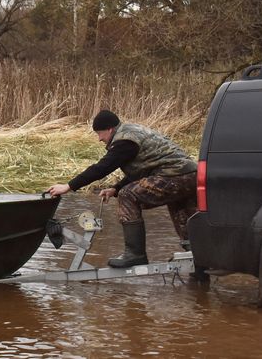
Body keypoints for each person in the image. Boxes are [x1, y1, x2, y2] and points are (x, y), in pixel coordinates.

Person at [46, 109, 197, 267]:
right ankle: (197, 260)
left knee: (128, 195)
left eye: (99, 133)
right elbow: (143, 169)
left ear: (110, 129)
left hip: (175, 176)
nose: (99, 139)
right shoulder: (133, 133)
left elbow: (102, 168)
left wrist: (68, 186)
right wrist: (115, 188)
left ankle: (135, 254)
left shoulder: (124, 141)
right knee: (183, 214)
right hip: (191, 177)